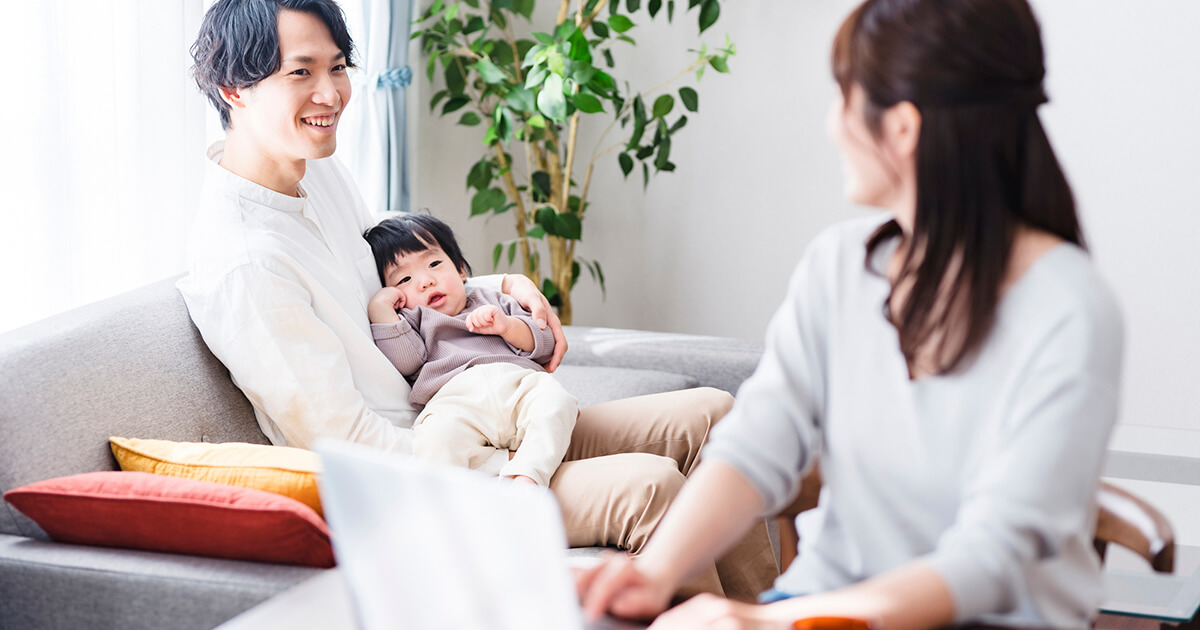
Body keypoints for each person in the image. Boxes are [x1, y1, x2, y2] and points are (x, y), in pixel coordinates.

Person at [177, 0, 777, 600]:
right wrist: (517, 469)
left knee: (720, 415)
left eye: (337, 68)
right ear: (234, 89)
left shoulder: (314, 172)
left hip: (481, 411)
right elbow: (342, 443)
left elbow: (405, 289)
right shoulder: (245, 262)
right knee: (651, 485)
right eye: (301, 72)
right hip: (432, 475)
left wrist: (506, 286)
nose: (331, 94)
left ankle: (774, 615)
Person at [576, 0, 1124, 628]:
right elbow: (757, 446)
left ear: (902, 128)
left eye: (844, 96)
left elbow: (991, 560)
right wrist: (652, 574)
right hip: (820, 606)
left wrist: (761, 622)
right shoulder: (839, 267)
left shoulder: (1069, 310)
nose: (833, 123)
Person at [363, 213, 577, 487]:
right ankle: (436, 506)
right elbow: (405, 362)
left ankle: (528, 477)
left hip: (517, 385)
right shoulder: (412, 321)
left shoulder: (494, 300)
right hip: (454, 400)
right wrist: (380, 310)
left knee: (557, 402)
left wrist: (507, 326)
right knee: (434, 441)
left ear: (461, 270)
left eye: (435, 263)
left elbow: (546, 345)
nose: (425, 281)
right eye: (404, 279)